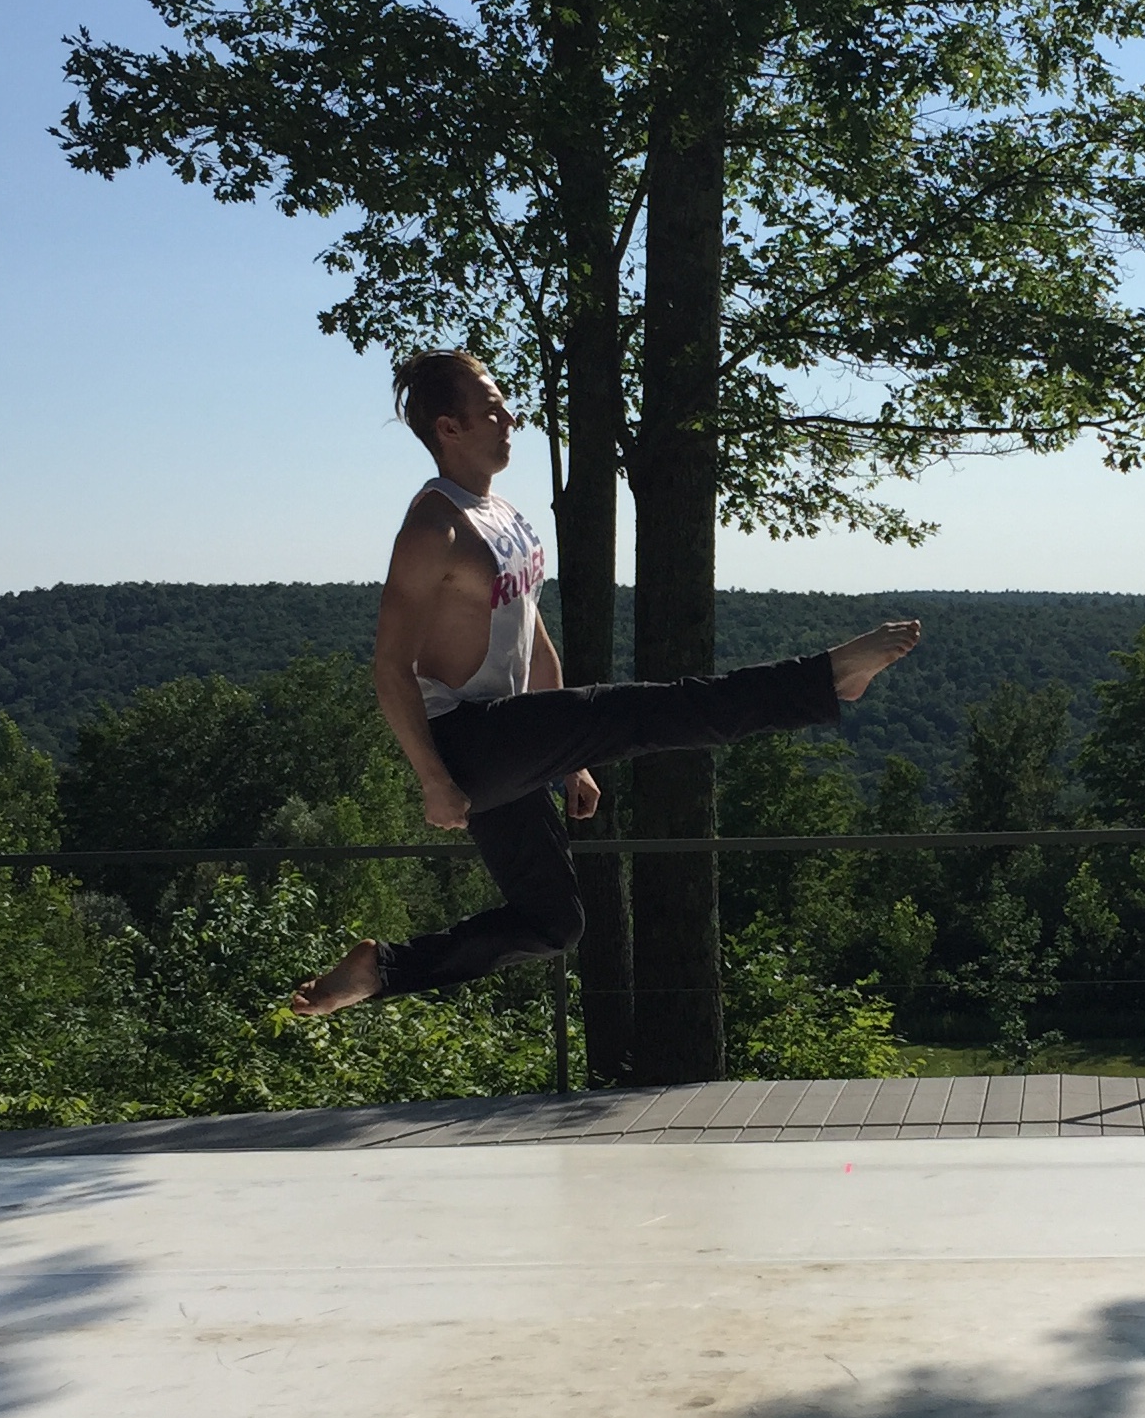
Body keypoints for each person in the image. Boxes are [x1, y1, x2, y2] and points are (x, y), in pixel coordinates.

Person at [291, 350, 918, 1016]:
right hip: (466, 744)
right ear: (449, 428)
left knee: (553, 922)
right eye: (493, 409)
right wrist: (432, 778)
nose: (511, 417)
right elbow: (390, 666)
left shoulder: (499, 514)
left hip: (511, 735)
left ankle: (380, 967)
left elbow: (531, 634)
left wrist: (571, 760)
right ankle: (825, 679)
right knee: (649, 712)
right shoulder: (433, 525)